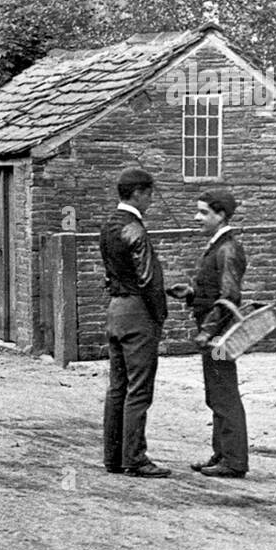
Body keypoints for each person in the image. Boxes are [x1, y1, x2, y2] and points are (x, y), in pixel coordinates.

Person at [168, 189, 249, 479]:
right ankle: (222, 454)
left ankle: (234, 460)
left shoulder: (228, 249)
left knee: (224, 393)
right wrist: (192, 294)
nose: (197, 217)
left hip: (219, 338)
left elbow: (229, 297)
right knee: (216, 393)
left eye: (203, 212)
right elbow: (215, 292)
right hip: (216, 334)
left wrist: (207, 331)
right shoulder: (219, 246)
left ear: (221, 215)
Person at [100, 167, 171, 479]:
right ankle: (136, 458)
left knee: (117, 387)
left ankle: (113, 458)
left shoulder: (108, 226)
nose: (151, 201)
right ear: (139, 193)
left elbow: (112, 272)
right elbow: (149, 281)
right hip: (137, 312)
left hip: (114, 310)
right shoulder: (136, 230)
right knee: (139, 389)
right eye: (150, 194)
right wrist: (159, 317)